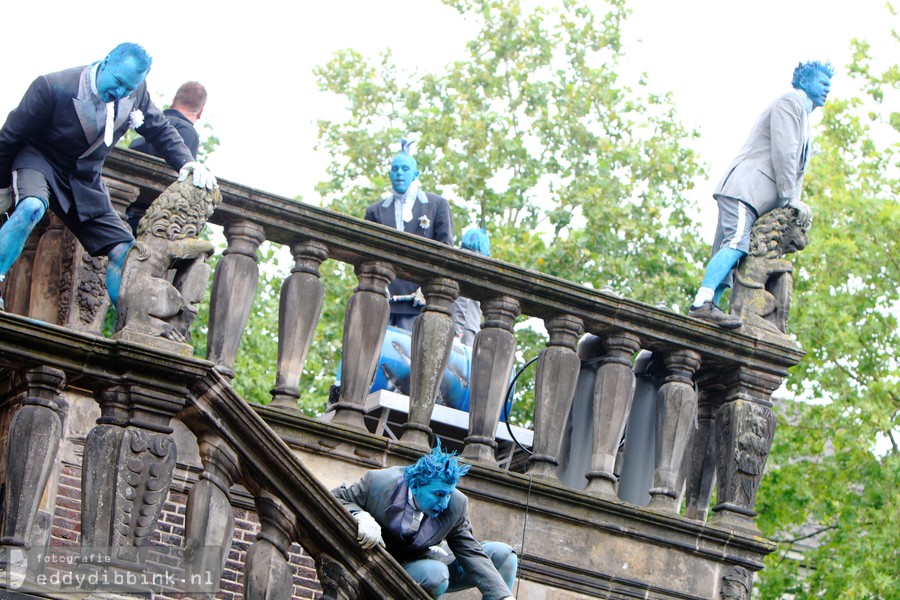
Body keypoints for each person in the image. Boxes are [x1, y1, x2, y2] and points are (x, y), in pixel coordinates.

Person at [0, 42, 215, 313]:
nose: (120, 93)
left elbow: (160, 129)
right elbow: (9, 137)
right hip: (39, 161)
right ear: (106, 62)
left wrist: (189, 163)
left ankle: (131, 323)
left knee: (126, 250)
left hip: (84, 181)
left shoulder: (135, 91)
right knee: (31, 207)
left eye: (128, 88)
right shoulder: (52, 86)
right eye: (117, 83)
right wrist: (1, 187)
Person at [688, 60, 833, 328]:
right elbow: (785, 151)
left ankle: (709, 306)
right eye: (823, 83)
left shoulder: (803, 113)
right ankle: (702, 304)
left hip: (752, 195)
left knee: (733, 249)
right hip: (748, 189)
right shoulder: (790, 102)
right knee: (735, 244)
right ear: (804, 82)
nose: (828, 89)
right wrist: (790, 199)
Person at [332, 445, 517, 599]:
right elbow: (336, 498)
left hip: (428, 559)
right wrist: (361, 515)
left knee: (504, 555)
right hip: (386, 567)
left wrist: (504, 596)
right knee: (436, 574)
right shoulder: (380, 483)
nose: (444, 503)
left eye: (448, 494)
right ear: (415, 485)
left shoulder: (456, 504)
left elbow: (470, 551)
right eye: (438, 494)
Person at [364, 139, 453, 332]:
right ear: (389, 174)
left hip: (420, 302)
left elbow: (446, 253)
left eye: (405, 169)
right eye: (395, 169)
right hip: (382, 300)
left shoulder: (437, 205)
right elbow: (366, 255)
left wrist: (428, 289)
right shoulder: (375, 211)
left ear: (416, 173)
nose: (399, 173)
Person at [127, 81, 208, 232]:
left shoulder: (149, 127)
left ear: (173, 102)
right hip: (148, 219)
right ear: (200, 112)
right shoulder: (187, 132)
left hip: (124, 208)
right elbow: (182, 182)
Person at [451, 227, 490, 346]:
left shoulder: (463, 262)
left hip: (463, 329)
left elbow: (462, 299)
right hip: (466, 329)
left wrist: (457, 331)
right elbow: (462, 300)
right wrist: (458, 331)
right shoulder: (478, 266)